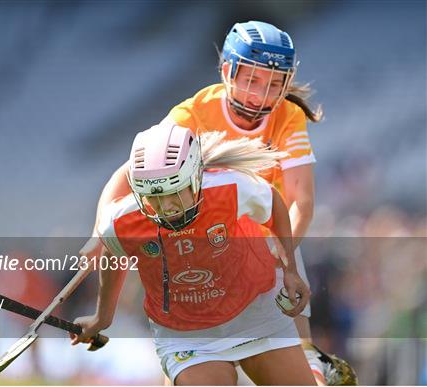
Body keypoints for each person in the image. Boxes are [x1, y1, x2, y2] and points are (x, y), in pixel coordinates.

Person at [81, 20, 357, 385]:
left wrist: (282, 252)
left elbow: (299, 200)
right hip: (206, 240)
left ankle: (310, 362)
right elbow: (132, 172)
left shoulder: (288, 115)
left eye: (275, 84)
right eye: (252, 80)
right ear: (227, 70)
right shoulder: (191, 114)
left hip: (269, 232)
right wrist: (99, 232)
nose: (261, 94)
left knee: (296, 343)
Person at [72, 122, 316, 385]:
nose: (165, 207)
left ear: (194, 178)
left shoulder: (231, 188)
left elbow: (274, 204)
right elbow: (113, 254)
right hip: (186, 337)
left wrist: (290, 270)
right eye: (153, 197)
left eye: (174, 192)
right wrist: (102, 318)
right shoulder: (122, 221)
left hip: (254, 313)